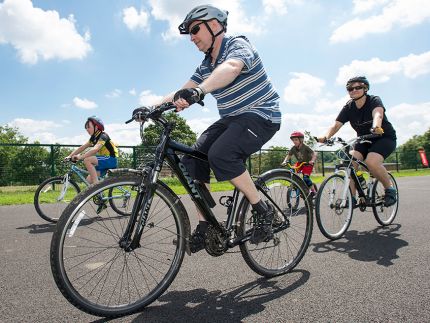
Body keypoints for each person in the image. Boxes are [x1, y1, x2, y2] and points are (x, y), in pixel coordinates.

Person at [156, 4, 281, 251]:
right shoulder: (205, 65)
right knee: (193, 159)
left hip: (261, 115)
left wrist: (200, 90)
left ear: (214, 25)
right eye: (189, 33)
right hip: (232, 119)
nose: (191, 37)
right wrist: (151, 107)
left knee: (221, 154)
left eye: (195, 30)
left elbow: (232, 68)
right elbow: (183, 88)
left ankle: (263, 210)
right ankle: (206, 226)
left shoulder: (238, 44)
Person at [317, 76, 397, 207]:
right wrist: (325, 136)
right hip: (363, 140)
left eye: (358, 87)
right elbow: (336, 125)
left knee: (371, 162)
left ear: (365, 89)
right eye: (350, 88)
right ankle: (351, 197)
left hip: (384, 137)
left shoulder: (373, 100)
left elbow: (378, 114)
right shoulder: (349, 107)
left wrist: (377, 126)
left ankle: (390, 189)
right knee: (349, 163)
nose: (353, 90)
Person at [66, 116, 119, 185]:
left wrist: (80, 157)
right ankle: (99, 194)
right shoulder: (93, 138)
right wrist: (69, 156)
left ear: (96, 127)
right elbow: (82, 147)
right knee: (88, 181)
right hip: (104, 162)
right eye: (86, 128)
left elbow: (95, 149)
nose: (87, 129)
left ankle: (96, 185)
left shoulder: (103, 136)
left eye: (89, 127)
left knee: (87, 160)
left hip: (111, 159)